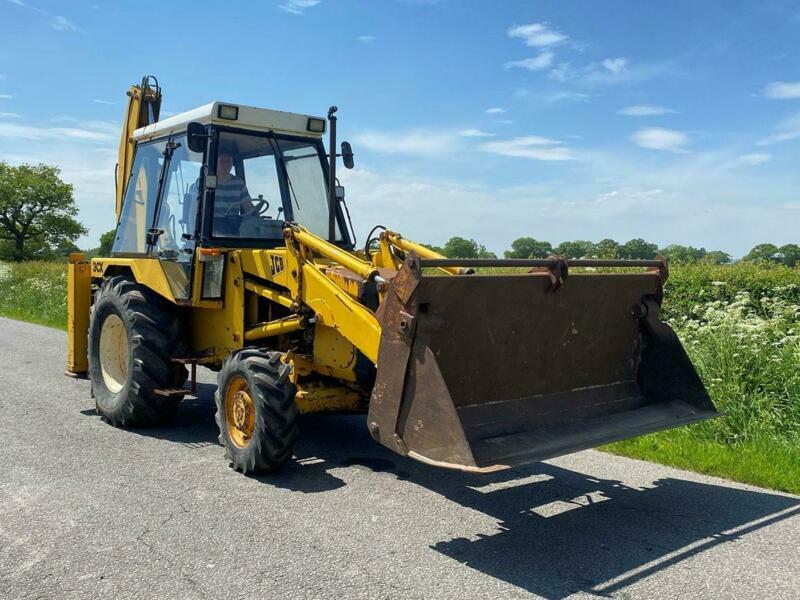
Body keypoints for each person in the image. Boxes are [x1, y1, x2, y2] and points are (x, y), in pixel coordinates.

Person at [213, 147, 254, 235]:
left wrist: (257, 218)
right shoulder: (208, 182)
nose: (225, 164)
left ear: (232, 163)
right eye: (222, 161)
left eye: (228, 161)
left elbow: (247, 205)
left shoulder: (238, 183)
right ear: (215, 162)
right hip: (214, 226)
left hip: (235, 224)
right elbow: (195, 211)